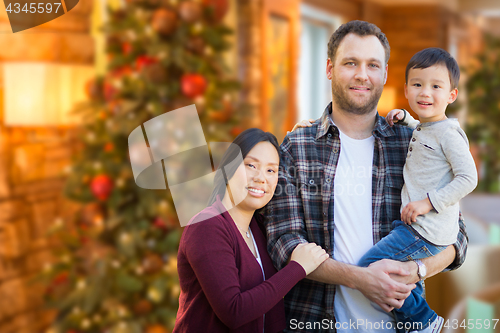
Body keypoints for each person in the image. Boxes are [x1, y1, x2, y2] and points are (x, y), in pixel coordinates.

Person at [264, 20, 468, 333]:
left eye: (372, 65)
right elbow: (283, 242)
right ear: (330, 68)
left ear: (385, 73)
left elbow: (457, 233)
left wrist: (418, 269)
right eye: (350, 63)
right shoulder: (297, 146)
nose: (362, 75)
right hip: (316, 322)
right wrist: (363, 279)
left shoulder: (410, 141)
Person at [356, 47, 477, 333]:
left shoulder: (449, 133)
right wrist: (406, 119)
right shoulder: (426, 127)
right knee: (405, 278)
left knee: (370, 266)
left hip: (424, 228)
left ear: (451, 95)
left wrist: (428, 203)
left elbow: (468, 177)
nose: (426, 92)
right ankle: (414, 326)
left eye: (436, 86)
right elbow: (425, 137)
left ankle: (424, 321)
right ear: (407, 90)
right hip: (416, 226)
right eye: (418, 84)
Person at [174, 128, 329, 333]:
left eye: (271, 170)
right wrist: (297, 268)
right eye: (251, 165)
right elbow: (234, 311)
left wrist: (307, 131)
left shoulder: (260, 228)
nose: (260, 177)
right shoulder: (206, 226)